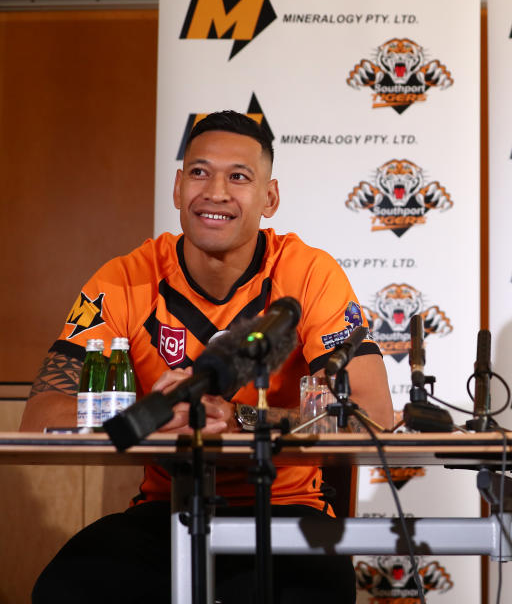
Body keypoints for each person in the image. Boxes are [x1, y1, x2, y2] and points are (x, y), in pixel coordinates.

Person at [20, 110, 392, 603]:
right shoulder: (124, 278)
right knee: (67, 589)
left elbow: (375, 417)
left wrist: (239, 419)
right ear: (177, 188)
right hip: (167, 512)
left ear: (270, 198)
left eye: (238, 177)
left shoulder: (308, 274)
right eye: (199, 172)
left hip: (284, 511)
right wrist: (150, 415)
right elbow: (39, 419)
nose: (215, 192)